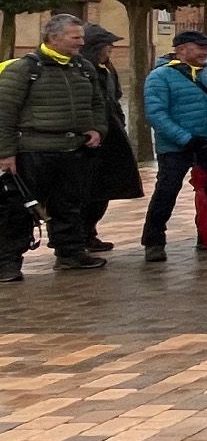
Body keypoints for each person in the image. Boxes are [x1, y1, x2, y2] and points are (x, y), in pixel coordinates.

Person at [0, 14, 109, 278]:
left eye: (81, 37)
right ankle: (7, 264)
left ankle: (70, 255)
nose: (81, 43)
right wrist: (6, 153)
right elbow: (4, 113)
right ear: (53, 38)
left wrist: (98, 129)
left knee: (70, 205)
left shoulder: (84, 67)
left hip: (73, 150)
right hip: (33, 151)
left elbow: (97, 104)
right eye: (75, 37)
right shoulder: (24, 69)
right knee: (18, 210)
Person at [140, 29, 207, 261]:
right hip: (175, 147)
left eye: (206, 47)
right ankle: (154, 241)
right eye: (199, 47)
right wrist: (184, 138)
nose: (205, 52)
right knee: (167, 191)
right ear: (181, 49)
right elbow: (156, 114)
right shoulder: (160, 76)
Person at [80, 24, 141, 253]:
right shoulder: (84, 71)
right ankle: (78, 238)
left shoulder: (107, 70)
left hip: (111, 136)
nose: (111, 49)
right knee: (85, 192)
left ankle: (90, 233)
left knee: (104, 190)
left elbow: (114, 98)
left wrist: (120, 122)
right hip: (89, 141)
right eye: (108, 46)